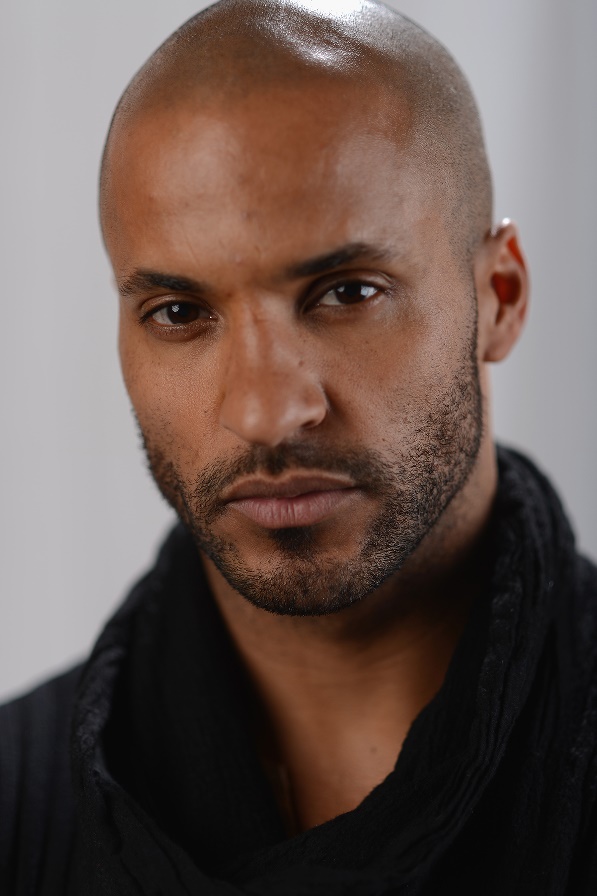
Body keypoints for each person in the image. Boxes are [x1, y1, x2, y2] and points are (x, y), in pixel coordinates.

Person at [1, 0, 596, 893]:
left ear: (500, 297)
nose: (267, 413)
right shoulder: (16, 801)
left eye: (347, 293)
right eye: (179, 314)